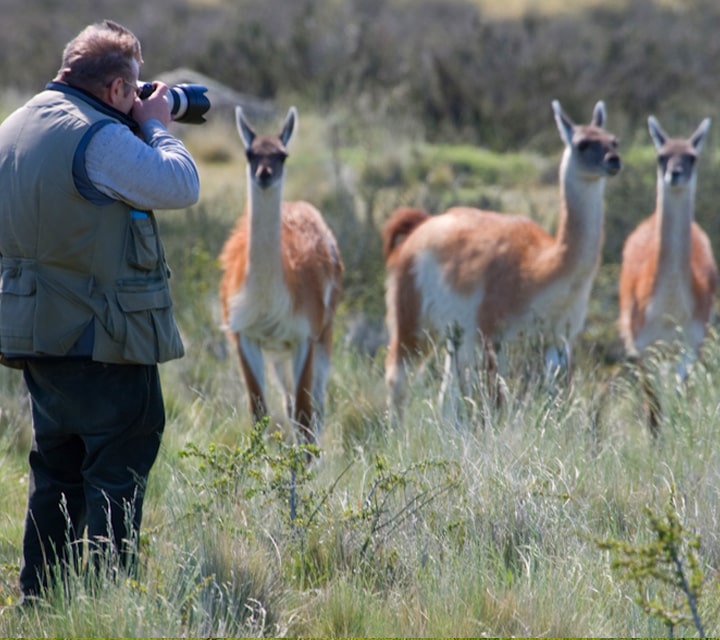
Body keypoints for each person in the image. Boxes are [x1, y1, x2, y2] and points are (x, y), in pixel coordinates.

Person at [0, 19, 200, 601]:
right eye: (133, 89)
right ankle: (106, 605)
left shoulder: (13, 128)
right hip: (104, 338)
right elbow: (180, 184)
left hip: (33, 336)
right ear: (115, 90)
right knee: (117, 469)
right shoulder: (98, 136)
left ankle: (41, 600)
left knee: (56, 472)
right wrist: (157, 127)